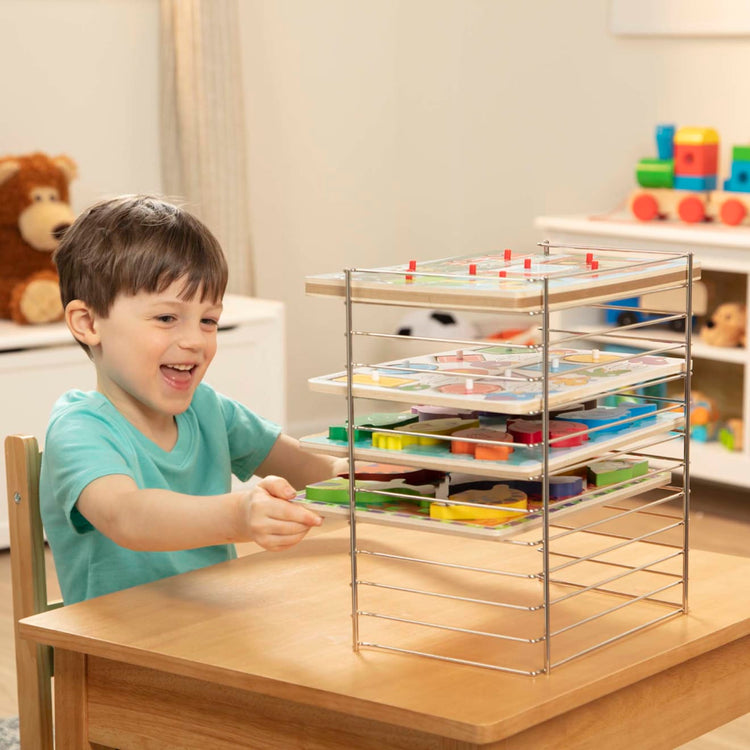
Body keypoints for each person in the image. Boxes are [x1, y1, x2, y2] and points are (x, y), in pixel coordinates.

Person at [40, 195, 340, 604]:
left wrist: (378, 472)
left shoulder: (207, 408)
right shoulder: (80, 428)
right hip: (117, 653)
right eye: (166, 318)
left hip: (211, 628)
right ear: (88, 323)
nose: (195, 340)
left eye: (208, 321)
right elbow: (128, 516)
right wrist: (239, 515)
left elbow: (309, 467)